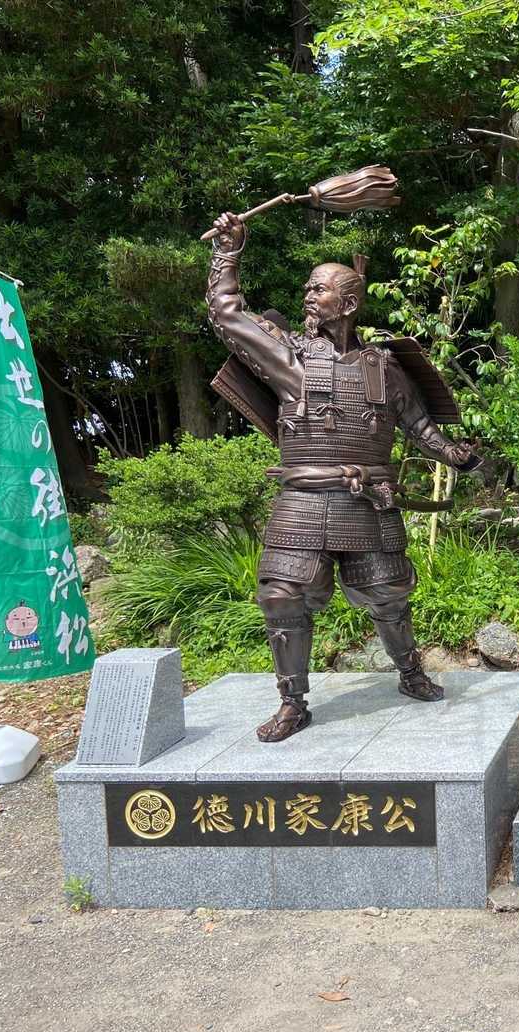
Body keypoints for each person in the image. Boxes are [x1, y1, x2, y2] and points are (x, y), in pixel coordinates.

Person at [206, 210, 480, 742]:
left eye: (320, 289)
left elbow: (419, 425)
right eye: (307, 288)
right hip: (304, 501)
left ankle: (410, 672)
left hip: (368, 501)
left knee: (388, 594)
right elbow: (226, 313)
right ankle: (292, 703)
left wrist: (455, 454)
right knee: (281, 594)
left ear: (348, 304)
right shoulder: (289, 357)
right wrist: (228, 251)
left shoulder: (385, 368)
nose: (308, 296)